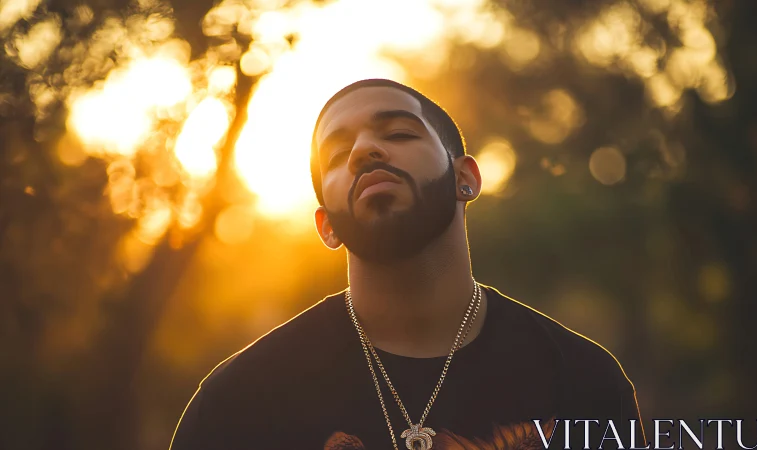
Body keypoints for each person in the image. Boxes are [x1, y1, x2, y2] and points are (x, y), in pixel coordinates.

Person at [169, 79, 646, 450]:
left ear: (465, 178)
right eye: (338, 155)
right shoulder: (239, 404)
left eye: (397, 133)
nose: (362, 152)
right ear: (326, 226)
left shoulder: (582, 382)